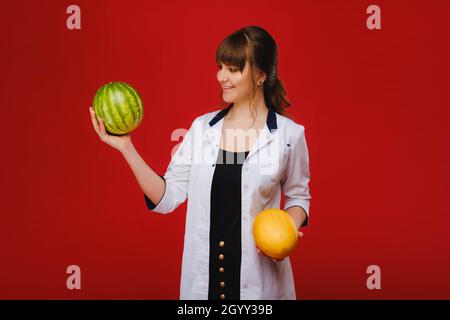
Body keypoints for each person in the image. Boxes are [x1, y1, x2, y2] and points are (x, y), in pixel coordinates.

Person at [89, 25, 311, 300]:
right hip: (202, 288)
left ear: (261, 75)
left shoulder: (289, 135)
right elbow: (167, 196)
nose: (221, 77)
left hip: (260, 287)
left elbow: (299, 197)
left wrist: (288, 229)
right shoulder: (201, 129)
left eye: (233, 69)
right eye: (220, 67)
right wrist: (126, 147)